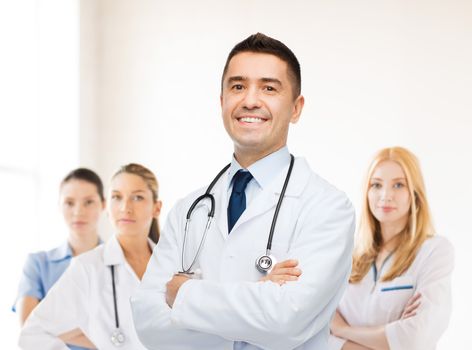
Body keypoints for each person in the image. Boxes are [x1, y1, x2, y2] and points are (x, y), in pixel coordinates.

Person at [130, 33, 355, 349]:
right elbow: (148, 322)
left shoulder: (328, 207)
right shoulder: (188, 210)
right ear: (222, 102)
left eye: (269, 88)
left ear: (296, 108)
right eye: (237, 87)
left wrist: (183, 294)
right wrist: (258, 295)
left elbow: (287, 320)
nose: (250, 100)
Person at [19, 163, 162, 350]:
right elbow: (32, 332)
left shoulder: (174, 265)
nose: (125, 207)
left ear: (156, 208)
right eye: (117, 197)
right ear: (108, 206)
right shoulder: (87, 267)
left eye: (137, 197)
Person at [329, 147, 454, 350]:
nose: (386, 195)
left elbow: (417, 338)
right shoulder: (345, 254)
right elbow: (316, 334)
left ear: (415, 193)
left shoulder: (434, 252)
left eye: (398, 185)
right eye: (377, 185)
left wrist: (343, 330)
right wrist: (392, 337)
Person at [13, 168, 105, 350]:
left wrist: (54, 329)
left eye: (88, 202)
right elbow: (29, 329)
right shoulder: (38, 264)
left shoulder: (119, 263)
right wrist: (106, 338)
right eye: (69, 202)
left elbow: (132, 335)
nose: (78, 211)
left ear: (103, 204)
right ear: (59, 205)